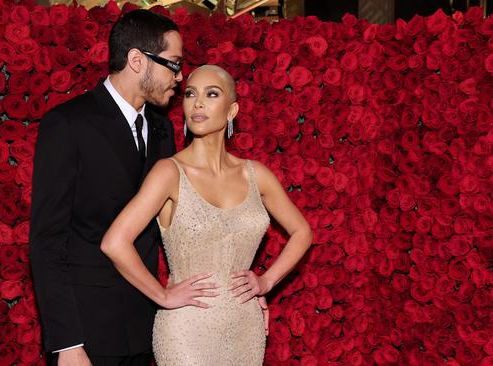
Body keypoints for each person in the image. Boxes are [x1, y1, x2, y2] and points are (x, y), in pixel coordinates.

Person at [101, 65, 313, 365]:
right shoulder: (169, 173)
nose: (197, 103)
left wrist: (267, 282)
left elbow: (302, 232)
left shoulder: (256, 175)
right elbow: (115, 242)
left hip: (244, 327)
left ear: (232, 110)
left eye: (212, 94)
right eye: (190, 94)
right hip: (186, 329)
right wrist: (162, 296)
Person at [29, 9, 184, 366]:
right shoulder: (67, 123)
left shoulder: (163, 130)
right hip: (87, 334)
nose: (178, 77)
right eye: (173, 64)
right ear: (136, 60)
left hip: (146, 328)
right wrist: (67, 343)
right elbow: (47, 240)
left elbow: (168, 229)